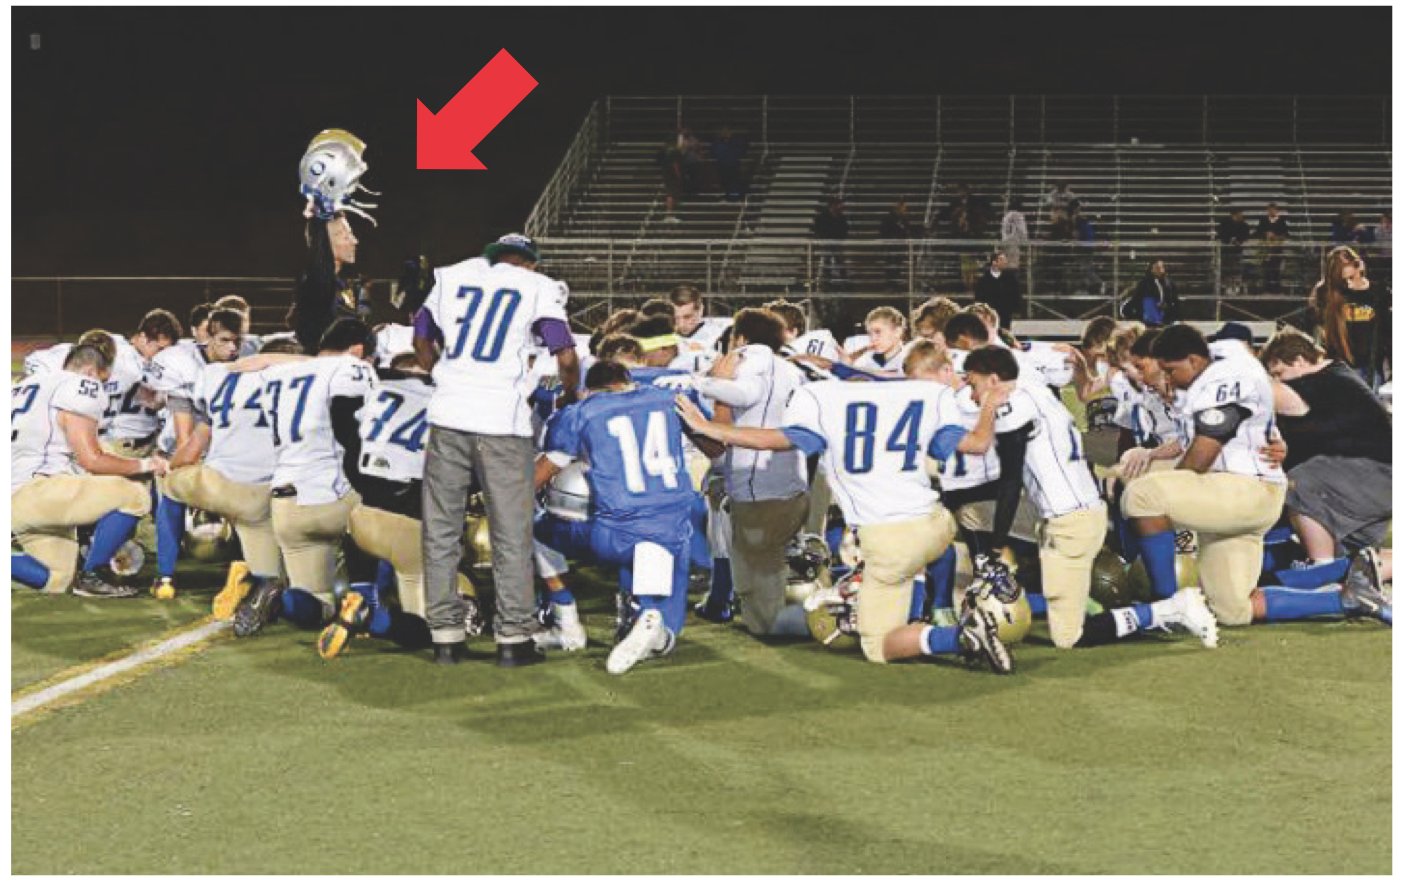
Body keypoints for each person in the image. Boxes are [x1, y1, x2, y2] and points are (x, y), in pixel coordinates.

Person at [675, 345, 1016, 671]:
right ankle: (925, 605)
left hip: (890, 537)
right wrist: (988, 403)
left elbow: (775, 441)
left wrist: (708, 427)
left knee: (879, 644)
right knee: (910, 562)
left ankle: (959, 636)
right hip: (936, 523)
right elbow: (978, 444)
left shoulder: (822, 400)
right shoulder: (925, 394)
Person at [962, 345, 1219, 649]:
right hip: (1073, 511)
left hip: (1070, 522)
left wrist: (995, 547)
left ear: (993, 380)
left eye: (973, 384)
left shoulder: (1013, 406)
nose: (971, 394)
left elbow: (1010, 480)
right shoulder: (1035, 389)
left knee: (1069, 636)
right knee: (970, 511)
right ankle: (1037, 586)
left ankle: (1170, 609)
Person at [416, 233, 581, 667]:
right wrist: (572, 396)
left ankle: (445, 636)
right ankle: (513, 637)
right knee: (511, 530)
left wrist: (446, 378)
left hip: (448, 415)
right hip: (501, 421)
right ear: (528, 262)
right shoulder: (536, 285)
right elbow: (564, 353)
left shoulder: (454, 276)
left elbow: (421, 335)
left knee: (441, 528)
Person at [534, 360, 700, 674]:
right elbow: (715, 448)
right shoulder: (669, 399)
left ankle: (566, 624)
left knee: (536, 528)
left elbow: (542, 473)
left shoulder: (579, 412)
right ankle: (648, 620)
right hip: (672, 532)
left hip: (612, 533)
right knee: (667, 636)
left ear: (588, 389)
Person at [1121, 325, 1292, 627]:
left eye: (1171, 370)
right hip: (1233, 492)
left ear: (1194, 361)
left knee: (1143, 495)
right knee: (1231, 610)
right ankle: (1347, 595)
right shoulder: (1220, 357)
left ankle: (1168, 605)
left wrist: (1175, 495)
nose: (1168, 377)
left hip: (1245, 489)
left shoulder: (1221, 377)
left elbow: (1202, 454)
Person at [233, 319, 379, 639]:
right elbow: (354, 432)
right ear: (357, 351)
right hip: (331, 494)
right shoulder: (352, 369)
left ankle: (273, 595)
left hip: (285, 502)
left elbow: (240, 366)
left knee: (316, 606)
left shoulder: (277, 373)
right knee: (383, 511)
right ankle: (367, 603)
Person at [689, 309, 811, 638]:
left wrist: (703, 381)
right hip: (793, 486)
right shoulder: (791, 369)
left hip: (759, 493)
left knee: (763, 611)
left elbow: (744, 394)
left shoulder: (750, 355)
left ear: (740, 338)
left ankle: (823, 617)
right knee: (765, 574)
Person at [11, 345, 166, 598]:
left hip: (17, 498)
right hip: (37, 491)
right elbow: (92, 460)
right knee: (134, 495)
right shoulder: (80, 385)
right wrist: (146, 465)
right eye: (102, 381)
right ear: (91, 372)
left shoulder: (18, 387)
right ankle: (93, 574)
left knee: (57, 579)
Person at [164, 324, 289, 612]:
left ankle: (165, 574)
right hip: (269, 489)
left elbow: (193, 445)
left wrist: (168, 467)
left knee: (167, 485)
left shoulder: (217, 376)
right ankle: (257, 575)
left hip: (218, 481)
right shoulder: (298, 383)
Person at [1260, 330, 1392, 573]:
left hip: (1373, 477)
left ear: (1300, 360)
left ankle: (1320, 570)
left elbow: (1265, 392)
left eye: (1279, 373)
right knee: (1355, 562)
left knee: (1300, 482)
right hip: (1371, 483)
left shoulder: (1321, 380)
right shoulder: (1339, 379)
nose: (1279, 381)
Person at [145, 308, 247, 599]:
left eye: (237, 341)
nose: (232, 349)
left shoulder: (247, 362)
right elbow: (183, 433)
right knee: (173, 491)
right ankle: (165, 574)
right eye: (225, 341)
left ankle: (244, 568)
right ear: (207, 338)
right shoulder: (180, 364)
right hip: (188, 449)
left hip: (228, 453)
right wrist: (183, 462)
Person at [1308, 245, 1390, 389]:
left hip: (1371, 367)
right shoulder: (1328, 294)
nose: (1353, 282)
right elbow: (1316, 331)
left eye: (1356, 274)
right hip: (1339, 368)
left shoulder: (1379, 292)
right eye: (1346, 279)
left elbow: (1389, 332)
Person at [293, 212, 362, 355]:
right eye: (345, 236)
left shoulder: (344, 285)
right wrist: (319, 217)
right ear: (325, 242)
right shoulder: (316, 283)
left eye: (351, 234)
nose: (354, 241)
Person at [973, 251, 1023, 323]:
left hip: (1005, 316)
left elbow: (1016, 295)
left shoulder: (1010, 279)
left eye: (1005, 260)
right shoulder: (983, 280)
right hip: (989, 317)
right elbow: (979, 298)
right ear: (994, 262)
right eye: (1002, 260)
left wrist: (1015, 311)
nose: (1005, 262)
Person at [812, 196, 850, 288]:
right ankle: (825, 282)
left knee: (840, 262)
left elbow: (845, 229)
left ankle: (843, 281)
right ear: (833, 205)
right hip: (826, 243)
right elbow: (818, 229)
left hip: (837, 243)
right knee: (826, 262)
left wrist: (840, 238)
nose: (841, 207)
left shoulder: (841, 217)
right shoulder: (822, 217)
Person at [1127, 260, 1179, 326]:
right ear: (1152, 270)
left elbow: (1174, 300)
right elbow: (1136, 299)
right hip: (1149, 316)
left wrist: (1166, 306)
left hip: (1165, 315)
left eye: (1161, 268)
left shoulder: (1169, 283)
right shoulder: (1144, 283)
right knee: (1149, 301)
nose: (1160, 270)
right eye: (1157, 268)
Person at [1254, 203, 1291, 294]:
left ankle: (1276, 289)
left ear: (1276, 210)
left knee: (1276, 269)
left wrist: (1276, 236)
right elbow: (1257, 232)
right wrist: (1265, 234)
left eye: (1273, 210)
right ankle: (1266, 288)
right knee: (1266, 269)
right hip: (1265, 249)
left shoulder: (1282, 221)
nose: (1271, 211)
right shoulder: (1263, 220)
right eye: (1269, 210)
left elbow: (1286, 234)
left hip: (1277, 248)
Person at [1216, 209, 1251, 295]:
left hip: (1237, 250)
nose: (1241, 215)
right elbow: (1220, 234)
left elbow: (1246, 235)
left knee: (1237, 269)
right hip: (1226, 250)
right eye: (1240, 214)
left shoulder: (1244, 225)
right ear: (1234, 214)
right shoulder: (1224, 223)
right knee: (1227, 269)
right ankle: (1227, 286)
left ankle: (1236, 286)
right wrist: (1229, 240)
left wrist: (1239, 241)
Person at [1000, 198, 1029, 270]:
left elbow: (1003, 230)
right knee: (1013, 266)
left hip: (1005, 242)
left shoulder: (1006, 216)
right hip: (1014, 243)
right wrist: (1025, 242)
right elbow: (1022, 231)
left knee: (1005, 265)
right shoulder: (1019, 216)